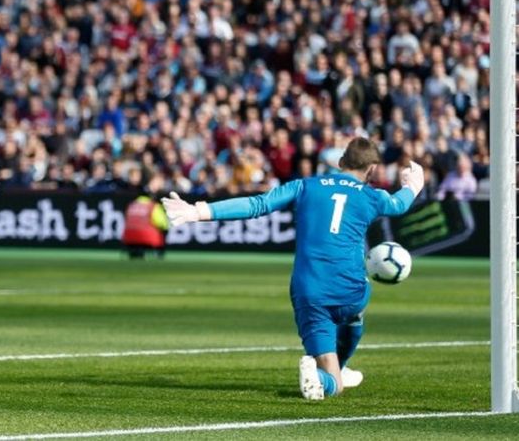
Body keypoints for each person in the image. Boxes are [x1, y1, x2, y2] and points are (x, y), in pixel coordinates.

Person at [162, 137, 424, 400]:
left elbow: (258, 205)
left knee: (331, 375)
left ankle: (329, 373)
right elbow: (399, 204)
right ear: (371, 170)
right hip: (352, 291)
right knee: (353, 319)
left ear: (341, 162)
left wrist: (198, 211)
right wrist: (414, 184)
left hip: (310, 291)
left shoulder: (304, 186)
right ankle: (331, 372)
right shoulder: (373, 196)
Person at [121, 194, 169, 259]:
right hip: (147, 238)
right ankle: (160, 255)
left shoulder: (131, 205)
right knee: (163, 232)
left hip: (128, 237)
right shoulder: (153, 205)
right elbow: (162, 223)